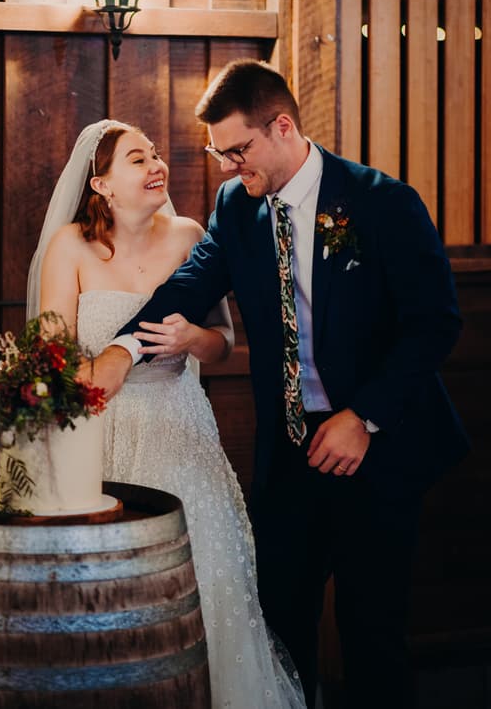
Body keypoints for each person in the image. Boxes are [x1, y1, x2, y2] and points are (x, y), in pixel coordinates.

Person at [92, 60, 471, 709]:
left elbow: (435, 323)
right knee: (280, 632)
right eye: (221, 155)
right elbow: (189, 286)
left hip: (378, 456)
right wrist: (122, 348)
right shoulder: (235, 207)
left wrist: (364, 416)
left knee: (372, 637)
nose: (230, 168)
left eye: (238, 150)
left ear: (284, 126)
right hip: (290, 462)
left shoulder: (381, 203)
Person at [26, 118, 307, 709]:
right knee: (108, 595)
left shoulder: (188, 235)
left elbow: (223, 342)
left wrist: (189, 341)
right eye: (137, 159)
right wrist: (86, 375)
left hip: (180, 428)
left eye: (156, 155)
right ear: (100, 184)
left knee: (208, 578)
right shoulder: (70, 246)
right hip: (99, 436)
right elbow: (49, 356)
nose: (157, 166)